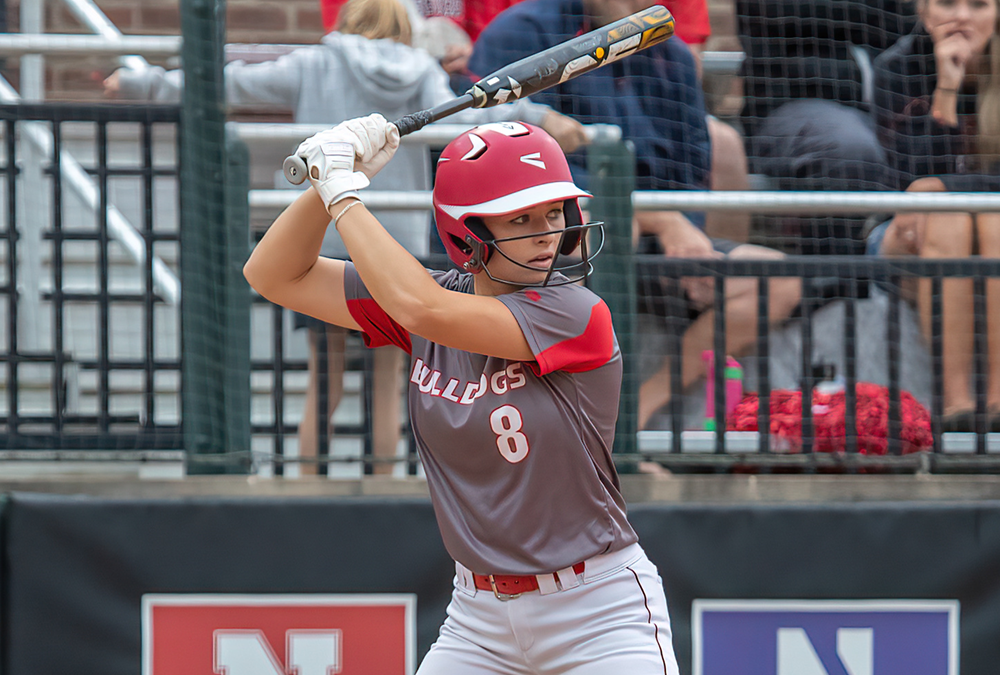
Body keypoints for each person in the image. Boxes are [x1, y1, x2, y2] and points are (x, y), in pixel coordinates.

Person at [244, 116, 682, 673]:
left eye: (553, 212)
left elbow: (422, 308)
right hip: (479, 620)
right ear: (467, 233)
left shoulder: (575, 312)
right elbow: (273, 274)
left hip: (598, 613)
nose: (547, 232)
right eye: (520, 217)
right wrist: (324, 184)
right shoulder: (432, 301)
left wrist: (345, 197)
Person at [105, 0, 586, 475]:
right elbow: (471, 120)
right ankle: (384, 482)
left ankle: (308, 483)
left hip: (328, 236)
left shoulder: (316, 61)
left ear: (347, 21)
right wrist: (540, 118)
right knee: (390, 375)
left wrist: (137, 80)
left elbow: (230, 80)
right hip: (394, 242)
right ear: (406, 28)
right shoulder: (419, 69)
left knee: (324, 379)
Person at [470, 0, 801, 430]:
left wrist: (686, 241)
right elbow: (507, 157)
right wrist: (655, 218)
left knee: (776, 280)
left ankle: (632, 415)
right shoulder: (524, 30)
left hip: (651, 235)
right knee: (610, 230)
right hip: (545, 227)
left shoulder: (672, 53)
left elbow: (691, 168)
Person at [869, 0, 1000, 431]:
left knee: (989, 221)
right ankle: (956, 405)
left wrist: (941, 188)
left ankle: (997, 401)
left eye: (978, 5)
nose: (962, 16)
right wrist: (946, 89)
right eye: (947, 3)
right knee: (949, 217)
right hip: (905, 236)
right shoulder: (897, 68)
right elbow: (903, 183)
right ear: (924, 14)